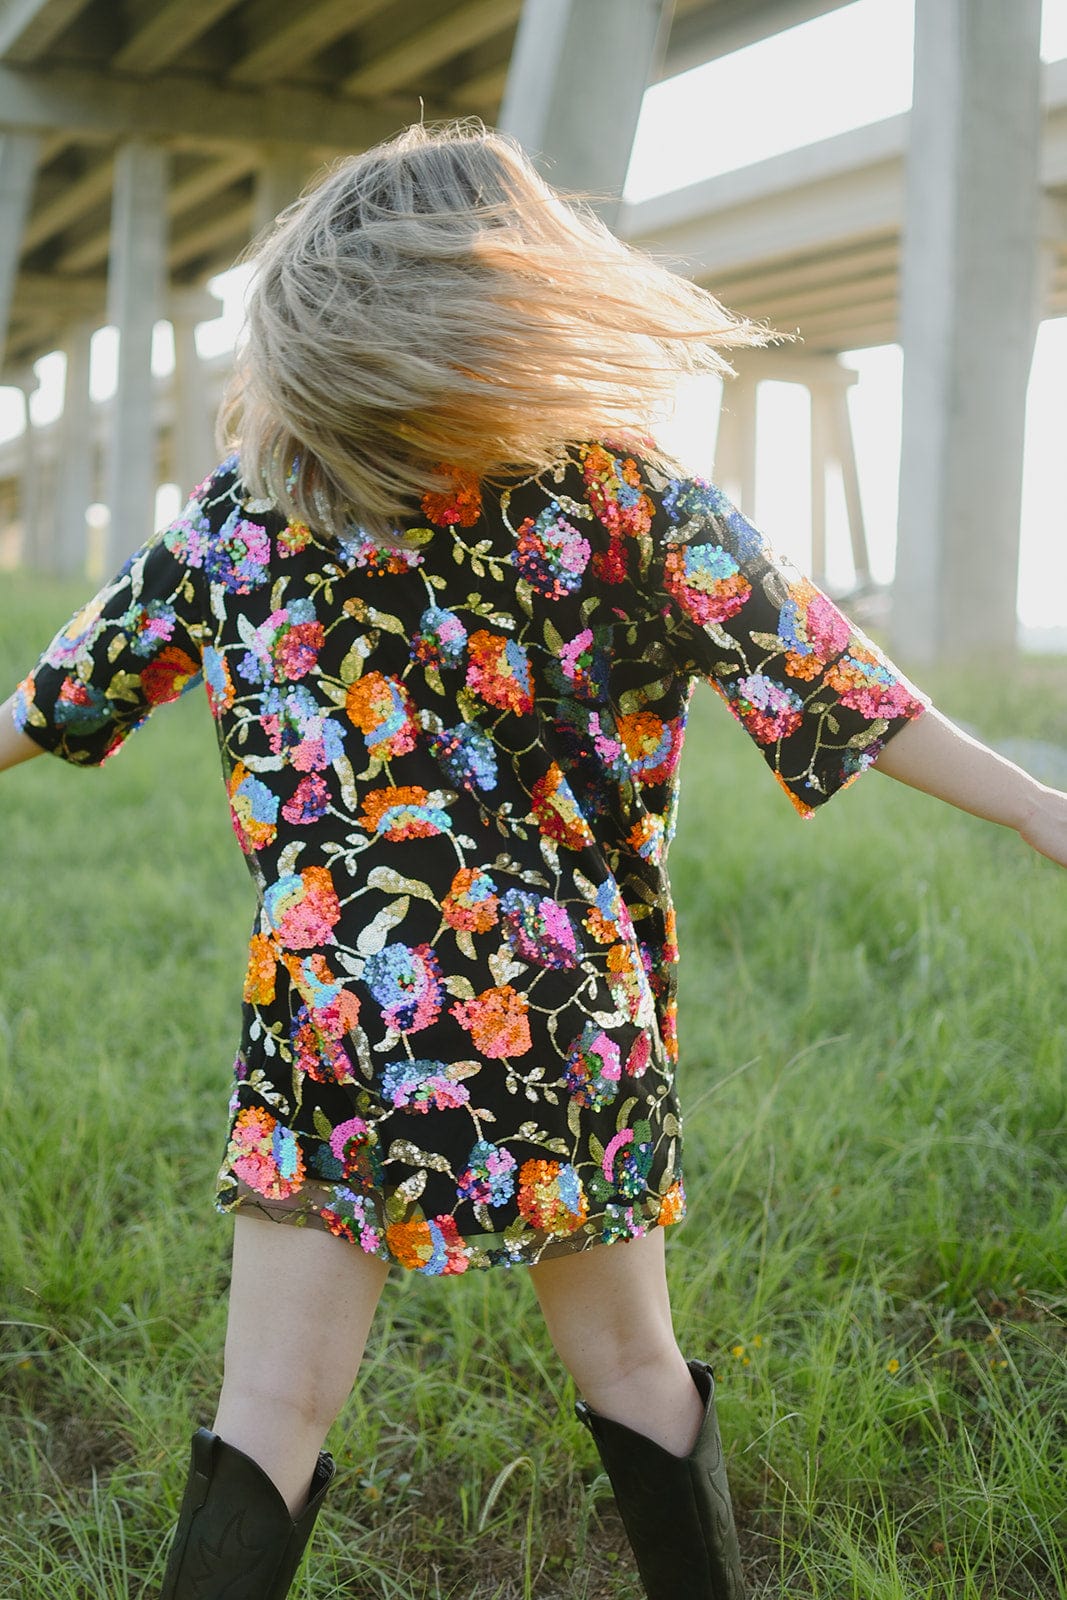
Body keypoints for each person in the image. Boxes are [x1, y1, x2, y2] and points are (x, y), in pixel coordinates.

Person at [2, 120, 1065, 1600]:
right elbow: (848, 693)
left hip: (340, 1016)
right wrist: (1032, 804)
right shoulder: (624, 502)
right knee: (633, 1359)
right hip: (564, 1012)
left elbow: (57, 698)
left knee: (271, 1413)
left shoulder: (260, 512)